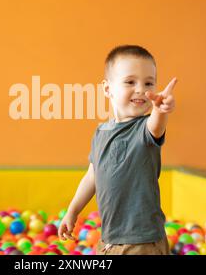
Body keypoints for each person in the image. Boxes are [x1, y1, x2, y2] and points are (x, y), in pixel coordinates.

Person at [58, 45, 177, 255]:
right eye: (130, 82)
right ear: (107, 89)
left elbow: (157, 125)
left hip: (142, 241)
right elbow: (92, 176)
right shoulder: (100, 133)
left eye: (148, 83)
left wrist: (160, 109)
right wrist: (73, 211)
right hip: (110, 238)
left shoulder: (145, 129)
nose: (140, 89)